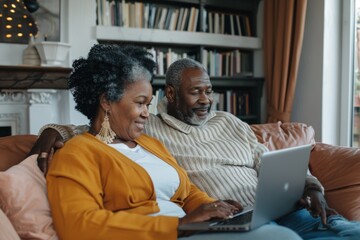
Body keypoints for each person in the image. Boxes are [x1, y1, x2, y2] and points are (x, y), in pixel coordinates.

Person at [34, 57, 360, 239]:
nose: (148, 112)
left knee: (347, 233)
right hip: (179, 231)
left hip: (246, 217)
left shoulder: (150, 142)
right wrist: (49, 132)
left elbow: (189, 193)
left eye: (148, 103)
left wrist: (216, 209)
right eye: (141, 103)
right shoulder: (83, 151)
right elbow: (79, 224)